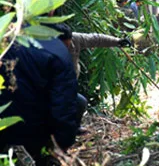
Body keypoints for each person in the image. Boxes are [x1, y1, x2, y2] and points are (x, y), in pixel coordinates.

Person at [0, 26, 78, 162]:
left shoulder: (7, 37)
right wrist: (62, 145)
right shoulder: (57, 53)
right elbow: (63, 107)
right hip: (32, 130)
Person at [53, 24, 131, 134]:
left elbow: (96, 39)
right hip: (48, 88)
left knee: (80, 103)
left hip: (67, 87)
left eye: (68, 45)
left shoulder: (76, 39)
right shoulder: (43, 47)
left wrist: (117, 41)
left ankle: (74, 128)